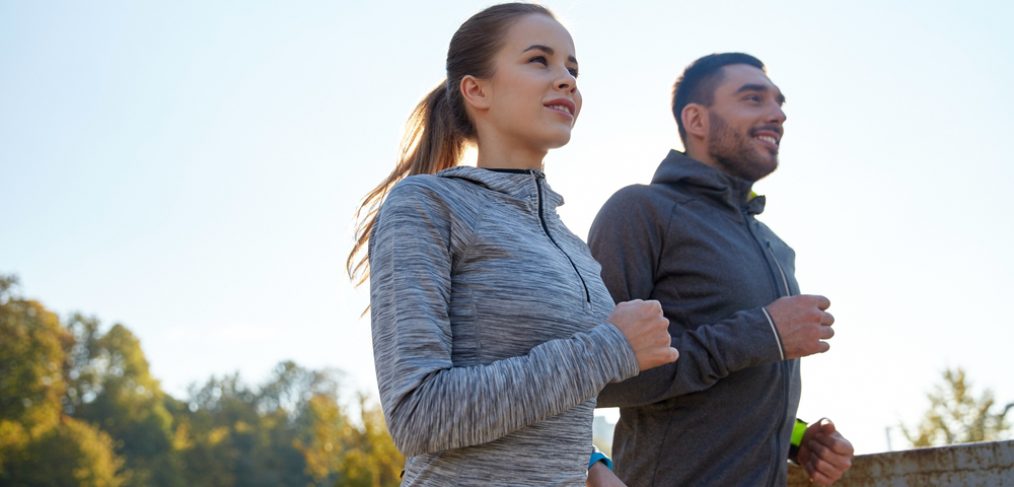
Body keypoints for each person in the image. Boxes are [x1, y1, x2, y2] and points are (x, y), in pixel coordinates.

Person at [346, 4, 678, 485]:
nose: (566, 79)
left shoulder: (569, 243)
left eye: (572, 68)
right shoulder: (426, 205)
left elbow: (547, 395)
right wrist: (611, 347)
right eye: (539, 60)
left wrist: (592, 466)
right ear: (476, 89)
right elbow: (419, 414)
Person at [587, 53, 855, 486]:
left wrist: (798, 439)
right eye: (753, 99)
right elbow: (593, 380)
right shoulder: (640, 211)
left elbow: (727, 395)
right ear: (696, 119)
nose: (777, 114)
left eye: (779, 103)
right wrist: (758, 333)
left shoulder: (774, 246)